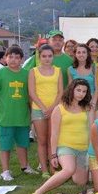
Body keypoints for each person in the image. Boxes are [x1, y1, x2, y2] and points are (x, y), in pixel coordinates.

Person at [30, 79, 94, 194]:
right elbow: (54, 134)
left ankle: (62, 174)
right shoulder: (59, 108)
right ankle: (37, 193)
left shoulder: (88, 108)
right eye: (78, 90)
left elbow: (91, 129)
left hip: (84, 148)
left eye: (84, 91)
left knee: (81, 182)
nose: (81, 94)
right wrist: (53, 155)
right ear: (71, 90)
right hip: (66, 146)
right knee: (68, 169)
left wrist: (92, 150)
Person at [0, 46, 35, 181]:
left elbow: (30, 95)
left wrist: (32, 113)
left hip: (22, 115)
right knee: (5, 145)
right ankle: (5, 170)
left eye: (17, 57)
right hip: (5, 117)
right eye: (10, 57)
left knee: (23, 143)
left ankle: (25, 166)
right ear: (5, 58)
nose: (13, 60)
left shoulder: (27, 74)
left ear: (22, 59)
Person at [28, 44, 64, 176]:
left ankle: (53, 169)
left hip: (55, 109)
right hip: (39, 109)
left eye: (50, 56)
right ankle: (44, 169)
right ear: (39, 57)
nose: (47, 58)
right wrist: (44, 108)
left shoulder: (58, 71)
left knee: (52, 140)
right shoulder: (33, 71)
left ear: (53, 57)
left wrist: (52, 107)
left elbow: (61, 91)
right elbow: (32, 92)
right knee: (42, 141)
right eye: (44, 56)